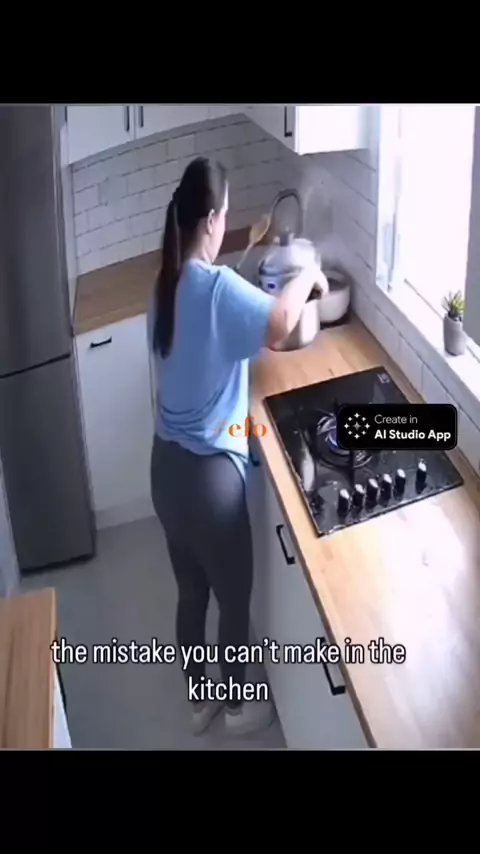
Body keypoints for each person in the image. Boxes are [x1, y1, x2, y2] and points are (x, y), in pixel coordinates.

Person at [148, 156, 327, 738]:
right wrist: (310, 272)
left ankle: (199, 702)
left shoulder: (165, 284)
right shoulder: (217, 288)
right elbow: (278, 324)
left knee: (190, 592)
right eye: (225, 214)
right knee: (232, 600)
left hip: (165, 473)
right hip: (209, 485)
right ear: (213, 220)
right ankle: (236, 708)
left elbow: (215, 325)